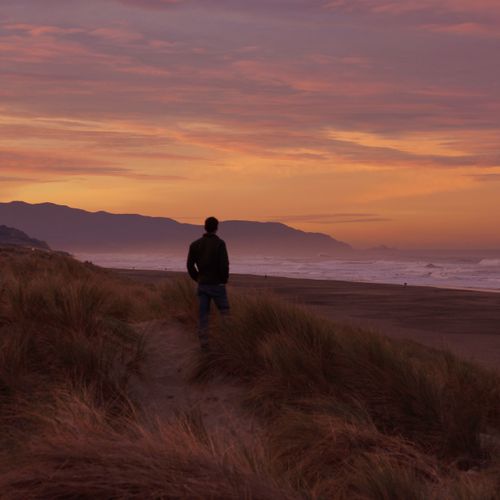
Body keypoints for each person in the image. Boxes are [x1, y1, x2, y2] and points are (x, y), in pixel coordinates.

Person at [187, 216, 230, 351]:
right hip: (217, 285)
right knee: (225, 315)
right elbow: (224, 265)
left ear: (205, 227)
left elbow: (189, 266)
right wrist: (223, 280)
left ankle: (204, 344)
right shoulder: (220, 244)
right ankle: (226, 342)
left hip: (203, 284)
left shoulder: (195, 244)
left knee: (203, 316)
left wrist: (198, 278)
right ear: (216, 228)